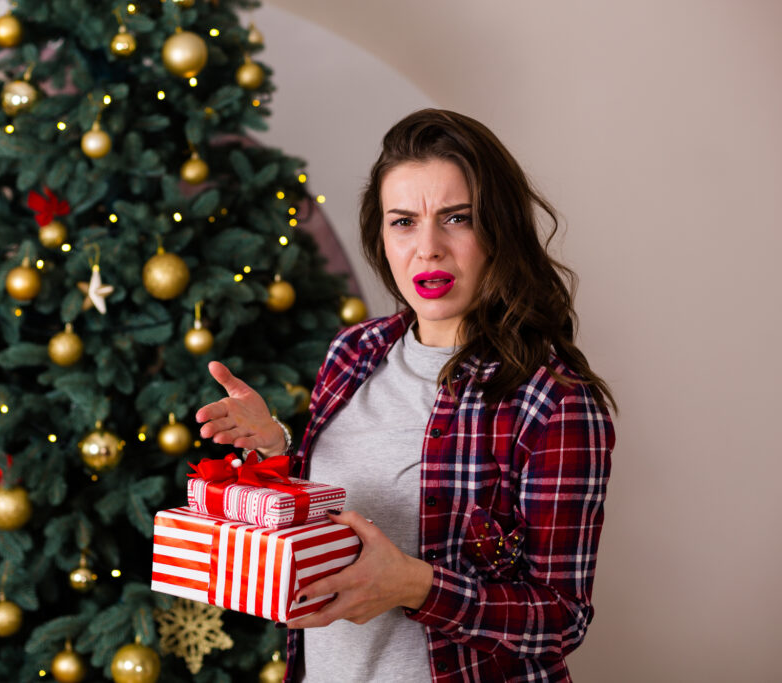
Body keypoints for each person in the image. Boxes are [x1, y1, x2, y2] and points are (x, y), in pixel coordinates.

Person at [195, 109, 616, 682]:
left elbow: (561, 619)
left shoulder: (553, 401)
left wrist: (415, 585)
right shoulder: (352, 350)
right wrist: (275, 451)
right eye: (403, 222)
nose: (428, 248)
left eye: (457, 218)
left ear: (499, 231)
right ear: (381, 237)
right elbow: (339, 516)